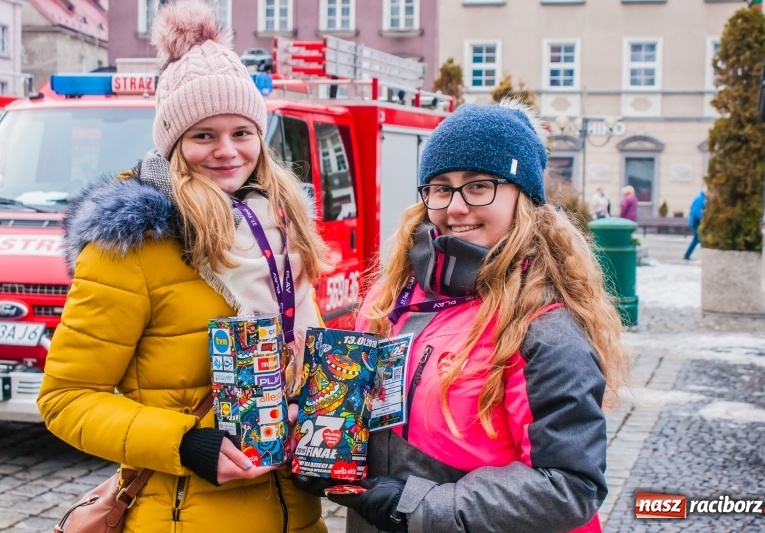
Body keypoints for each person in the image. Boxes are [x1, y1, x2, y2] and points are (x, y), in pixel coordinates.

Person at [36, 1, 328, 531]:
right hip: (185, 516)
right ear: (174, 142)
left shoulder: (282, 230)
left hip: (297, 517)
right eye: (203, 135)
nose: (227, 151)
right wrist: (186, 443)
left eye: (242, 132)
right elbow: (65, 399)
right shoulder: (131, 246)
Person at [295, 99, 629, 532]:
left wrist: (417, 506)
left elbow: (570, 487)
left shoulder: (543, 328)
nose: (455, 206)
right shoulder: (392, 298)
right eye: (441, 187)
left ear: (523, 198)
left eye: (478, 186)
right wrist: (319, 440)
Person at [684, 188, 707, 260]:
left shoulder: (701, 198)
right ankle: (687, 255)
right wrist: (703, 219)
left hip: (696, 222)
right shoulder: (700, 199)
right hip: (696, 222)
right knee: (698, 239)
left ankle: (687, 255)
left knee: (697, 239)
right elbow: (696, 212)